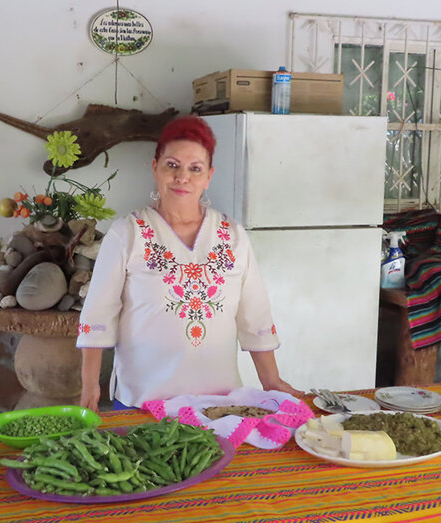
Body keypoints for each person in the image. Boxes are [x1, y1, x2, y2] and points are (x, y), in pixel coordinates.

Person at [77, 115, 302, 413]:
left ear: (209, 176)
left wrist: (271, 380)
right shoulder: (128, 233)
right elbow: (98, 316)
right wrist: (90, 384)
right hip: (143, 404)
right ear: (155, 167)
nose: (183, 177)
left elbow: (255, 317)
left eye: (195, 169)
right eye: (172, 165)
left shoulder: (233, 236)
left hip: (221, 407)